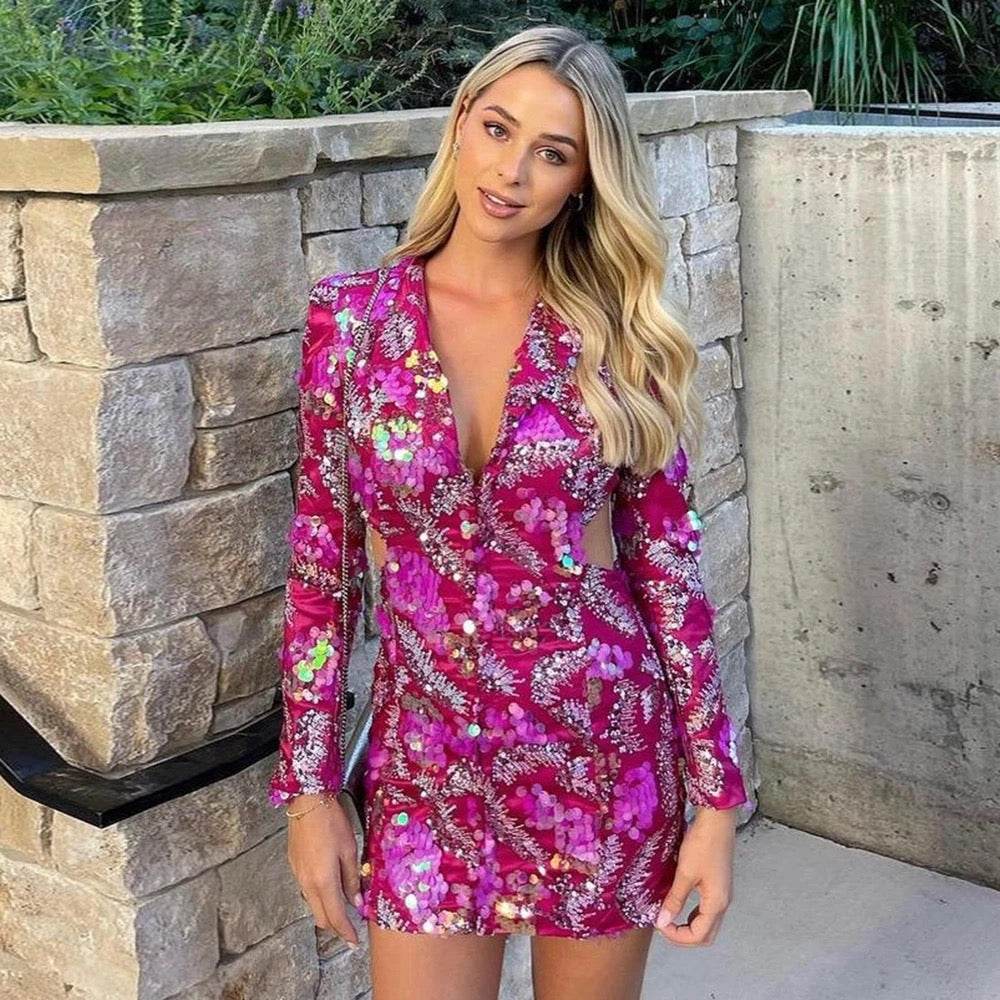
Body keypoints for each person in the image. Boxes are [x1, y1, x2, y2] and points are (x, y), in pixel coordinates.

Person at [267, 23, 749, 1000]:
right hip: (425, 770)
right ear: (460, 124)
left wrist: (715, 804)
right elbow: (323, 573)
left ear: (585, 181)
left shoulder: (615, 335)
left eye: (553, 152)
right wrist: (309, 791)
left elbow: (668, 573)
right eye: (498, 128)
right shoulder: (353, 321)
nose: (513, 171)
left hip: (600, 758)